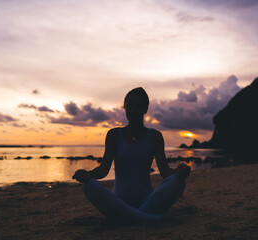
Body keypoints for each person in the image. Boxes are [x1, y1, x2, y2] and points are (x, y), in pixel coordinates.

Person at [72, 87, 191, 223]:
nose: (133, 110)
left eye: (138, 106)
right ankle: (145, 218)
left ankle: (128, 217)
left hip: (148, 201)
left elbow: (165, 171)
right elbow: (103, 170)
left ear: (145, 109)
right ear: (124, 108)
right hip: (118, 202)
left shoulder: (155, 136)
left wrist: (179, 172)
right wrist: (88, 175)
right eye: (130, 106)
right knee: (88, 186)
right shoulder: (114, 135)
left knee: (178, 182)